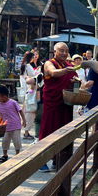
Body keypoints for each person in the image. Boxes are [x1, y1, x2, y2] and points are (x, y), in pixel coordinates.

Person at [38, 42, 78, 171]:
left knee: (64, 130)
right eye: (61, 51)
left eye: (66, 51)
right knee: (48, 129)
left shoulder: (68, 65)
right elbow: (53, 73)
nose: (64, 53)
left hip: (65, 103)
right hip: (52, 102)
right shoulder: (50, 63)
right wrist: (66, 71)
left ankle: (58, 160)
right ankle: (41, 161)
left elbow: (73, 79)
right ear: (54, 51)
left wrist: (78, 82)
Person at [0, 85, 27, 163]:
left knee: (16, 141)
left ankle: (17, 154)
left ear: (4, 96)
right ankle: (5, 155)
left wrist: (24, 120)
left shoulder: (13, 102)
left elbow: (20, 111)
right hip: (5, 127)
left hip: (16, 126)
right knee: (5, 141)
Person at [20, 51, 38, 139]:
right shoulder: (28, 66)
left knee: (27, 111)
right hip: (31, 90)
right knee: (30, 112)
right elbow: (33, 77)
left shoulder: (24, 65)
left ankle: (26, 131)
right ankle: (26, 132)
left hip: (27, 91)